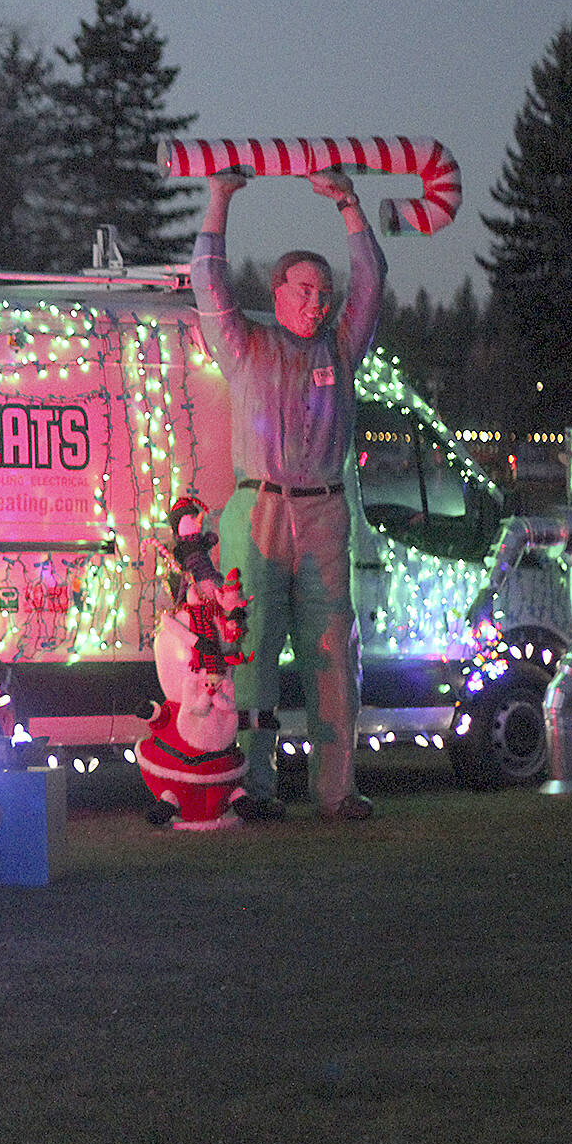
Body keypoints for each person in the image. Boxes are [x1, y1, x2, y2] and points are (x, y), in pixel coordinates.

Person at [190, 164, 386, 822]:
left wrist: (350, 207)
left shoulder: (342, 348)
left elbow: (373, 283)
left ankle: (336, 789)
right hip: (259, 507)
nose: (317, 302)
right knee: (252, 649)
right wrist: (218, 200)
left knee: (333, 648)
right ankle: (253, 785)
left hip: (326, 508)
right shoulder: (247, 347)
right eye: (304, 289)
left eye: (324, 291)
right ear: (277, 293)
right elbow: (207, 284)